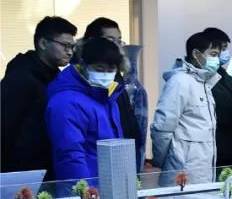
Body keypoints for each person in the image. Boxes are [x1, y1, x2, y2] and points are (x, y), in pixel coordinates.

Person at [1, 16, 77, 177]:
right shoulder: (20, 78)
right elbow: (5, 129)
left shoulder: (58, 79)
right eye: (64, 45)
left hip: (49, 168)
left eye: (72, 47)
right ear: (43, 43)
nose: (70, 52)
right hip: (22, 172)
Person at [44, 37, 125, 184]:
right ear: (83, 65)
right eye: (99, 69)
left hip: (110, 187)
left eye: (111, 70)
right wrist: (85, 192)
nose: (105, 75)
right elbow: (70, 156)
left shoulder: (108, 97)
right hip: (85, 191)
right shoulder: (65, 102)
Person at [150, 32, 220, 184]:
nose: (217, 60)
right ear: (196, 54)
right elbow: (162, 128)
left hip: (202, 169)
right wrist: (166, 160)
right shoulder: (179, 82)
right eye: (213, 54)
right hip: (182, 170)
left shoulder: (203, 83)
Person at [81, 17, 141, 169]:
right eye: (110, 40)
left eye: (119, 41)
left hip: (121, 156)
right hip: (99, 166)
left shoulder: (116, 76)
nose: (117, 46)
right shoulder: (88, 80)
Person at [202, 27, 232, 167]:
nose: (224, 53)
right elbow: (227, 108)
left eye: (224, 49)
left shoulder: (222, 73)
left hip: (230, 143)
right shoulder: (203, 76)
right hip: (216, 144)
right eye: (221, 49)